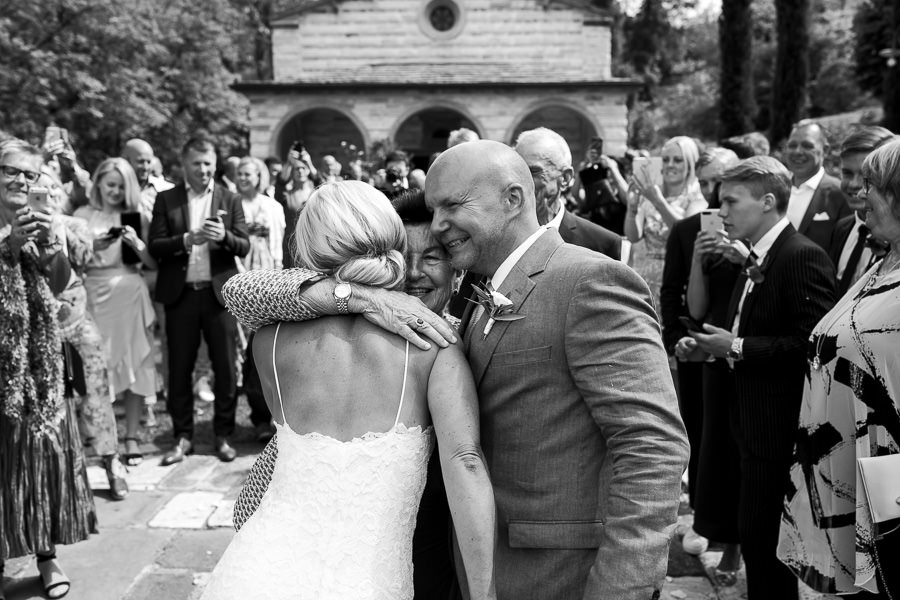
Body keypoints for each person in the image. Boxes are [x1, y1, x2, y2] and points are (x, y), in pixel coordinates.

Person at [223, 140, 689, 599]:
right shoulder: (459, 308)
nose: (441, 225)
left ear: (513, 199)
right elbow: (244, 290)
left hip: (550, 567)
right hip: (416, 555)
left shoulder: (586, 281)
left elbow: (653, 446)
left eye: (452, 206)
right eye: (433, 209)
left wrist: (622, 587)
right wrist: (359, 295)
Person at [202, 181, 496, 600]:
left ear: (307, 252)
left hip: (259, 566)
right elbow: (465, 462)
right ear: (391, 242)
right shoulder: (434, 345)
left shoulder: (268, 340)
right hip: (369, 579)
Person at [689, 156, 836, 600]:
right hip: (750, 425)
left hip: (777, 432)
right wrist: (716, 344)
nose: (723, 212)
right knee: (757, 544)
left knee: (768, 550)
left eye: (731, 201)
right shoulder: (757, 256)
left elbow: (811, 347)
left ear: (768, 201)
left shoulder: (800, 256)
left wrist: (733, 348)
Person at [777, 138, 900, 598]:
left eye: (872, 185)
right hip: (835, 467)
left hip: (885, 487)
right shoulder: (882, 261)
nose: (859, 194)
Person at [0, 140, 96, 600]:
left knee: (44, 453)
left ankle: (46, 553)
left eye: (30, 174)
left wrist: (49, 248)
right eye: (11, 172)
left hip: (40, 358)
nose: (21, 181)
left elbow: (60, 283)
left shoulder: (48, 222)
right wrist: (8, 245)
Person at [148, 136, 250, 464]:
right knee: (179, 369)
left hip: (218, 295)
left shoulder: (229, 199)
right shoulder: (167, 199)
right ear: (184, 164)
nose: (203, 169)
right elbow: (155, 245)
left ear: (215, 164)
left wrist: (225, 237)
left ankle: (222, 435)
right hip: (180, 296)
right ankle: (182, 437)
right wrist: (185, 239)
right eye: (197, 163)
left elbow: (244, 245)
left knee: (224, 368)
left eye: (208, 163)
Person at [660, 147, 739, 561]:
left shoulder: (749, 230)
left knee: (731, 446)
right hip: (694, 351)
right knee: (699, 442)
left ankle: (732, 545)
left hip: (736, 352)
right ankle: (706, 521)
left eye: (721, 183)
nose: (713, 192)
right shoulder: (688, 229)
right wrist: (676, 341)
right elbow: (671, 294)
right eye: (707, 183)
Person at [40, 166, 128, 500]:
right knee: (55, 400)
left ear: (59, 195)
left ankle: (111, 460)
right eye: (39, 191)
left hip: (78, 322)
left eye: (51, 191)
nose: (46, 196)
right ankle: (60, 470)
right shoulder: (14, 229)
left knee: (96, 389)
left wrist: (53, 230)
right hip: (42, 328)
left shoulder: (74, 226)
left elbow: (82, 259)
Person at [74, 158, 158, 470]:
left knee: (135, 364)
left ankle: (132, 436)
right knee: (98, 369)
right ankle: (100, 436)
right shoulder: (82, 215)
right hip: (94, 295)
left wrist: (137, 243)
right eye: (110, 184)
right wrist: (92, 244)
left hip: (130, 293)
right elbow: (72, 259)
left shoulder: (135, 215)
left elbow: (151, 264)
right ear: (97, 184)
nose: (115, 190)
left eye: (122, 185)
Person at [235, 156, 285, 442]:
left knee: (267, 346)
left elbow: (277, 243)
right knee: (245, 350)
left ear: (259, 176)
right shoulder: (230, 204)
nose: (244, 178)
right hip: (239, 277)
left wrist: (277, 278)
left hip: (267, 281)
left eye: (249, 173)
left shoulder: (272, 207)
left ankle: (274, 415)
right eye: (240, 173)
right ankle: (256, 414)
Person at [625, 136, 706, 306]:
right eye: (666, 159)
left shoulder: (696, 199)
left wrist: (658, 201)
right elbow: (633, 236)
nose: (670, 165)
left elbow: (686, 234)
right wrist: (632, 208)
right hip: (644, 278)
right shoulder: (650, 194)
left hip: (676, 279)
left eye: (678, 160)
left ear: (690, 164)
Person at [830, 126, 895, 296]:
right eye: (847, 173)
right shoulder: (841, 228)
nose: (853, 184)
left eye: (866, 177)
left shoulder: (895, 236)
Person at [783, 121, 852, 253]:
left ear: (825, 150)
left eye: (807, 146)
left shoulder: (839, 194)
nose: (798, 152)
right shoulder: (776, 189)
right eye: (792, 145)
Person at [274, 146, 319, 269]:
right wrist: (289, 162)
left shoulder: (316, 193)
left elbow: (321, 182)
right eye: (296, 169)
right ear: (292, 173)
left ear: (308, 170)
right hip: (291, 244)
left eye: (303, 168)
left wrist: (308, 161)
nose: (300, 171)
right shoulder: (286, 195)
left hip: (313, 242)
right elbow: (280, 183)